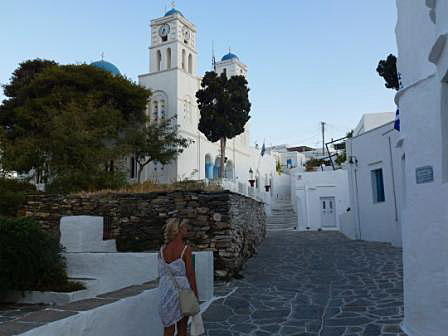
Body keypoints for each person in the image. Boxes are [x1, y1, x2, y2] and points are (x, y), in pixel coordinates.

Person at [158, 219, 198, 336]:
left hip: (165, 290)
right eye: (185, 228)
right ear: (178, 230)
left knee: (168, 328)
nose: (187, 230)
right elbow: (190, 274)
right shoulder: (185, 249)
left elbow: (161, 272)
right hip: (182, 289)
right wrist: (194, 294)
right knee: (182, 328)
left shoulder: (161, 250)